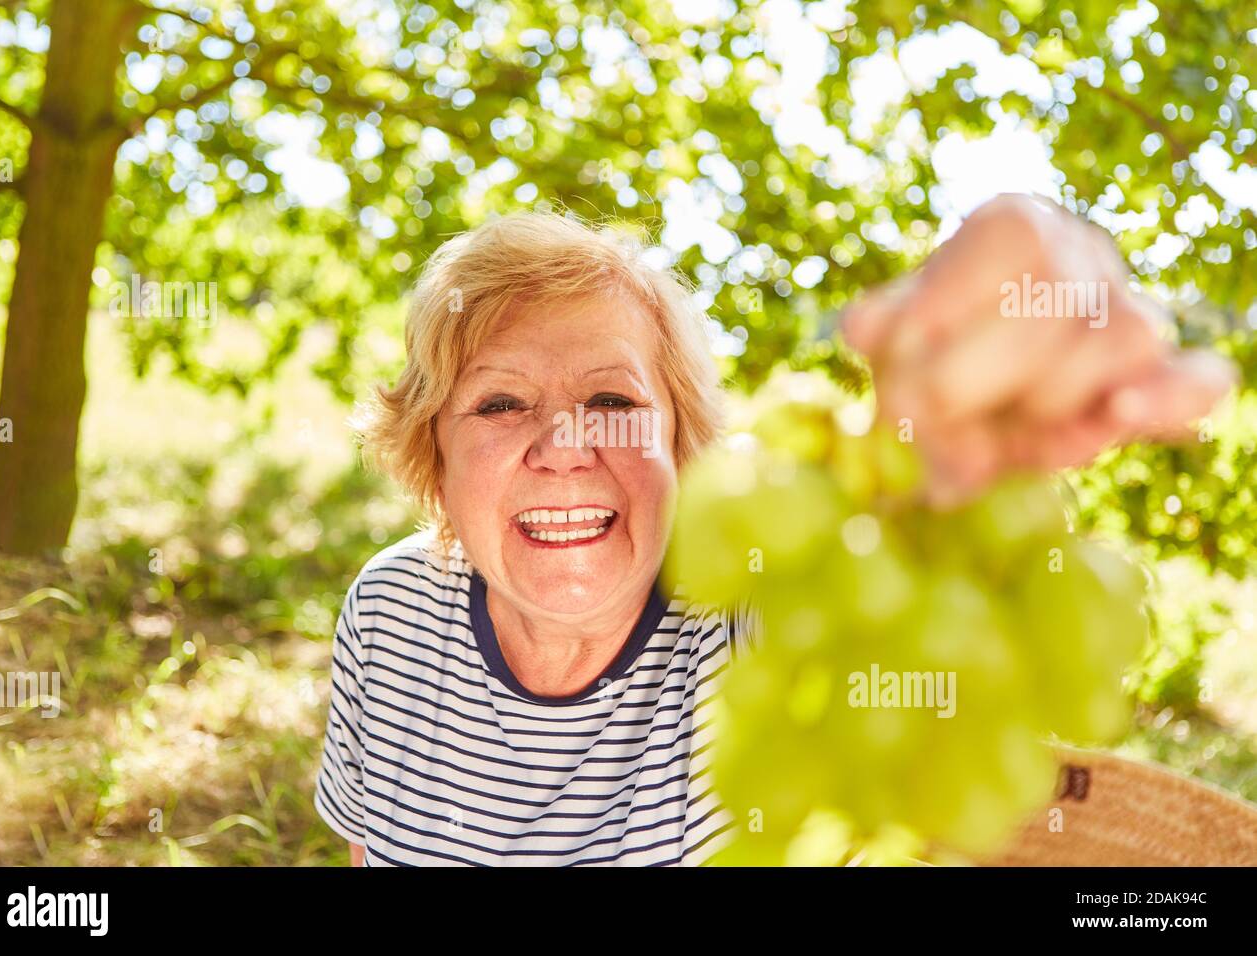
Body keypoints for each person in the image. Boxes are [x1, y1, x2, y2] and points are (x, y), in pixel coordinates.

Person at [313, 195, 1235, 866]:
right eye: (500, 402)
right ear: (432, 454)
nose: (564, 445)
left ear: (684, 446)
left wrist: (954, 446)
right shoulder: (388, 609)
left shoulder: (757, 616)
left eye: (612, 398)